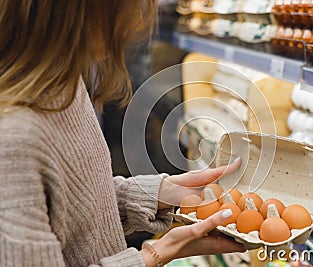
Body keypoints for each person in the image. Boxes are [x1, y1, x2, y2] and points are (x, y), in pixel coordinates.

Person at [0, 1, 246, 266]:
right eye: (128, 9)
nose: (136, 25)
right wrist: (154, 254)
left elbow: (68, 211)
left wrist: (156, 194)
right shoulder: (13, 139)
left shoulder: (64, 86)